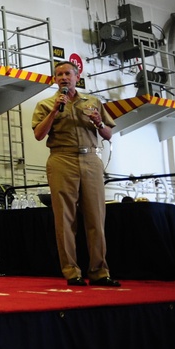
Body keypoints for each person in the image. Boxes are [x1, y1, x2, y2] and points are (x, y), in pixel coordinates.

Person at [32, 61, 119, 287]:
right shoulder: (46, 104)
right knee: (65, 219)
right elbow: (39, 135)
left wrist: (99, 123)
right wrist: (53, 112)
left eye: (67, 73)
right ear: (54, 79)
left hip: (90, 159)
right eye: (59, 74)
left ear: (77, 76)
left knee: (96, 217)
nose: (63, 77)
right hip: (62, 158)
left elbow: (108, 134)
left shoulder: (93, 102)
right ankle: (72, 271)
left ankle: (100, 271)